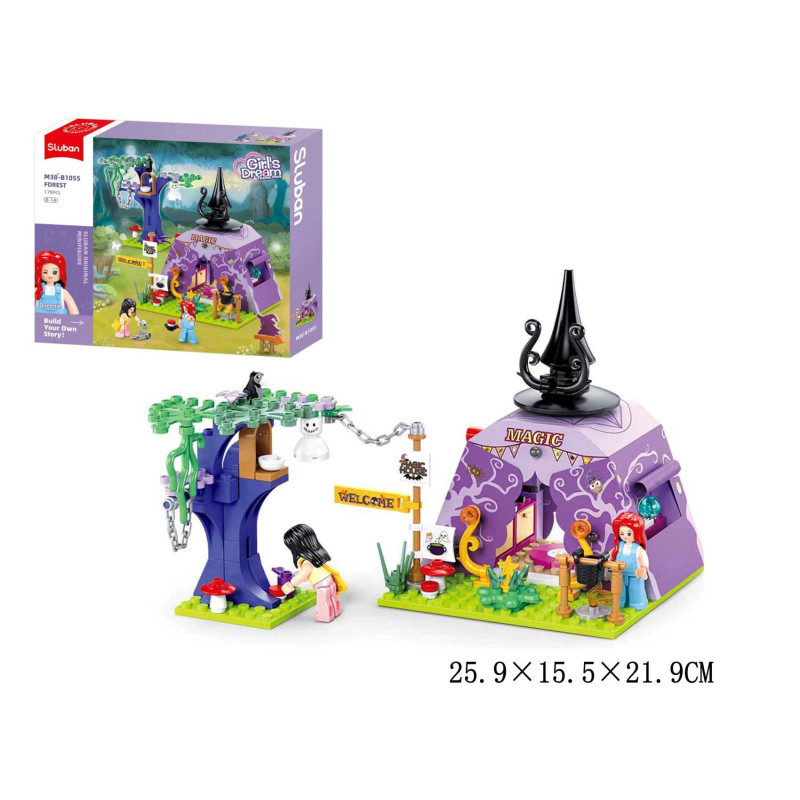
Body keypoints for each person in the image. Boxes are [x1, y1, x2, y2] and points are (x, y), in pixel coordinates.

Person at [274, 524, 346, 622]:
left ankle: (323, 616)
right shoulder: (315, 556)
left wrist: (291, 584)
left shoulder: (305, 560)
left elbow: (306, 571)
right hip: (329, 579)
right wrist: (298, 575)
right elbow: (309, 573)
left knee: (324, 601)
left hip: (321, 585)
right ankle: (336, 611)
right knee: (332, 597)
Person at [610, 511, 649, 611]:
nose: (625, 536)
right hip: (620, 575)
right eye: (622, 533)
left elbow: (644, 559)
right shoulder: (619, 546)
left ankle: (637, 604)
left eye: (628, 533)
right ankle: (620, 603)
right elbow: (611, 555)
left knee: (636, 591)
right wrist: (607, 561)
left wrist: (643, 568)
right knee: (620, 591)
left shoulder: (638, 549)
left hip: (634, 575)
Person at [34, 251, 79, 315]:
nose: (50, 275)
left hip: (59, 321)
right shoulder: (37, 290)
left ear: (61, 272)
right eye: (45, 272)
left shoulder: (62, 292)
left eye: (54, 272)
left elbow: (74, 312)